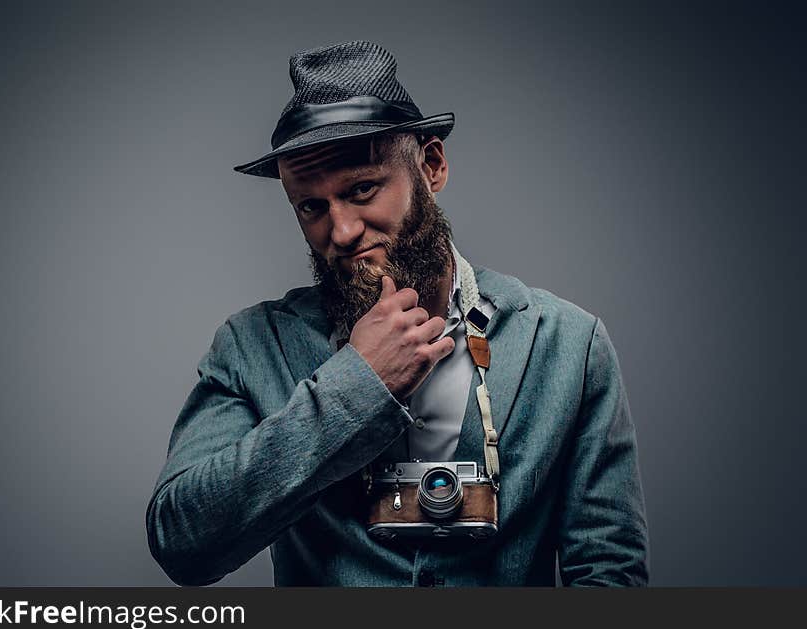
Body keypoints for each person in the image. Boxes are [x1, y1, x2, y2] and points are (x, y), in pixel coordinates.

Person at [146, 40, 649, 586]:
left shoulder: (569, 344)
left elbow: (609, 573)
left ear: (431, 167)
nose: (340, 232)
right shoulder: (251, 345)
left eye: (362, 190)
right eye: (311, 206)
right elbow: (182, 544)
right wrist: (356, 387)